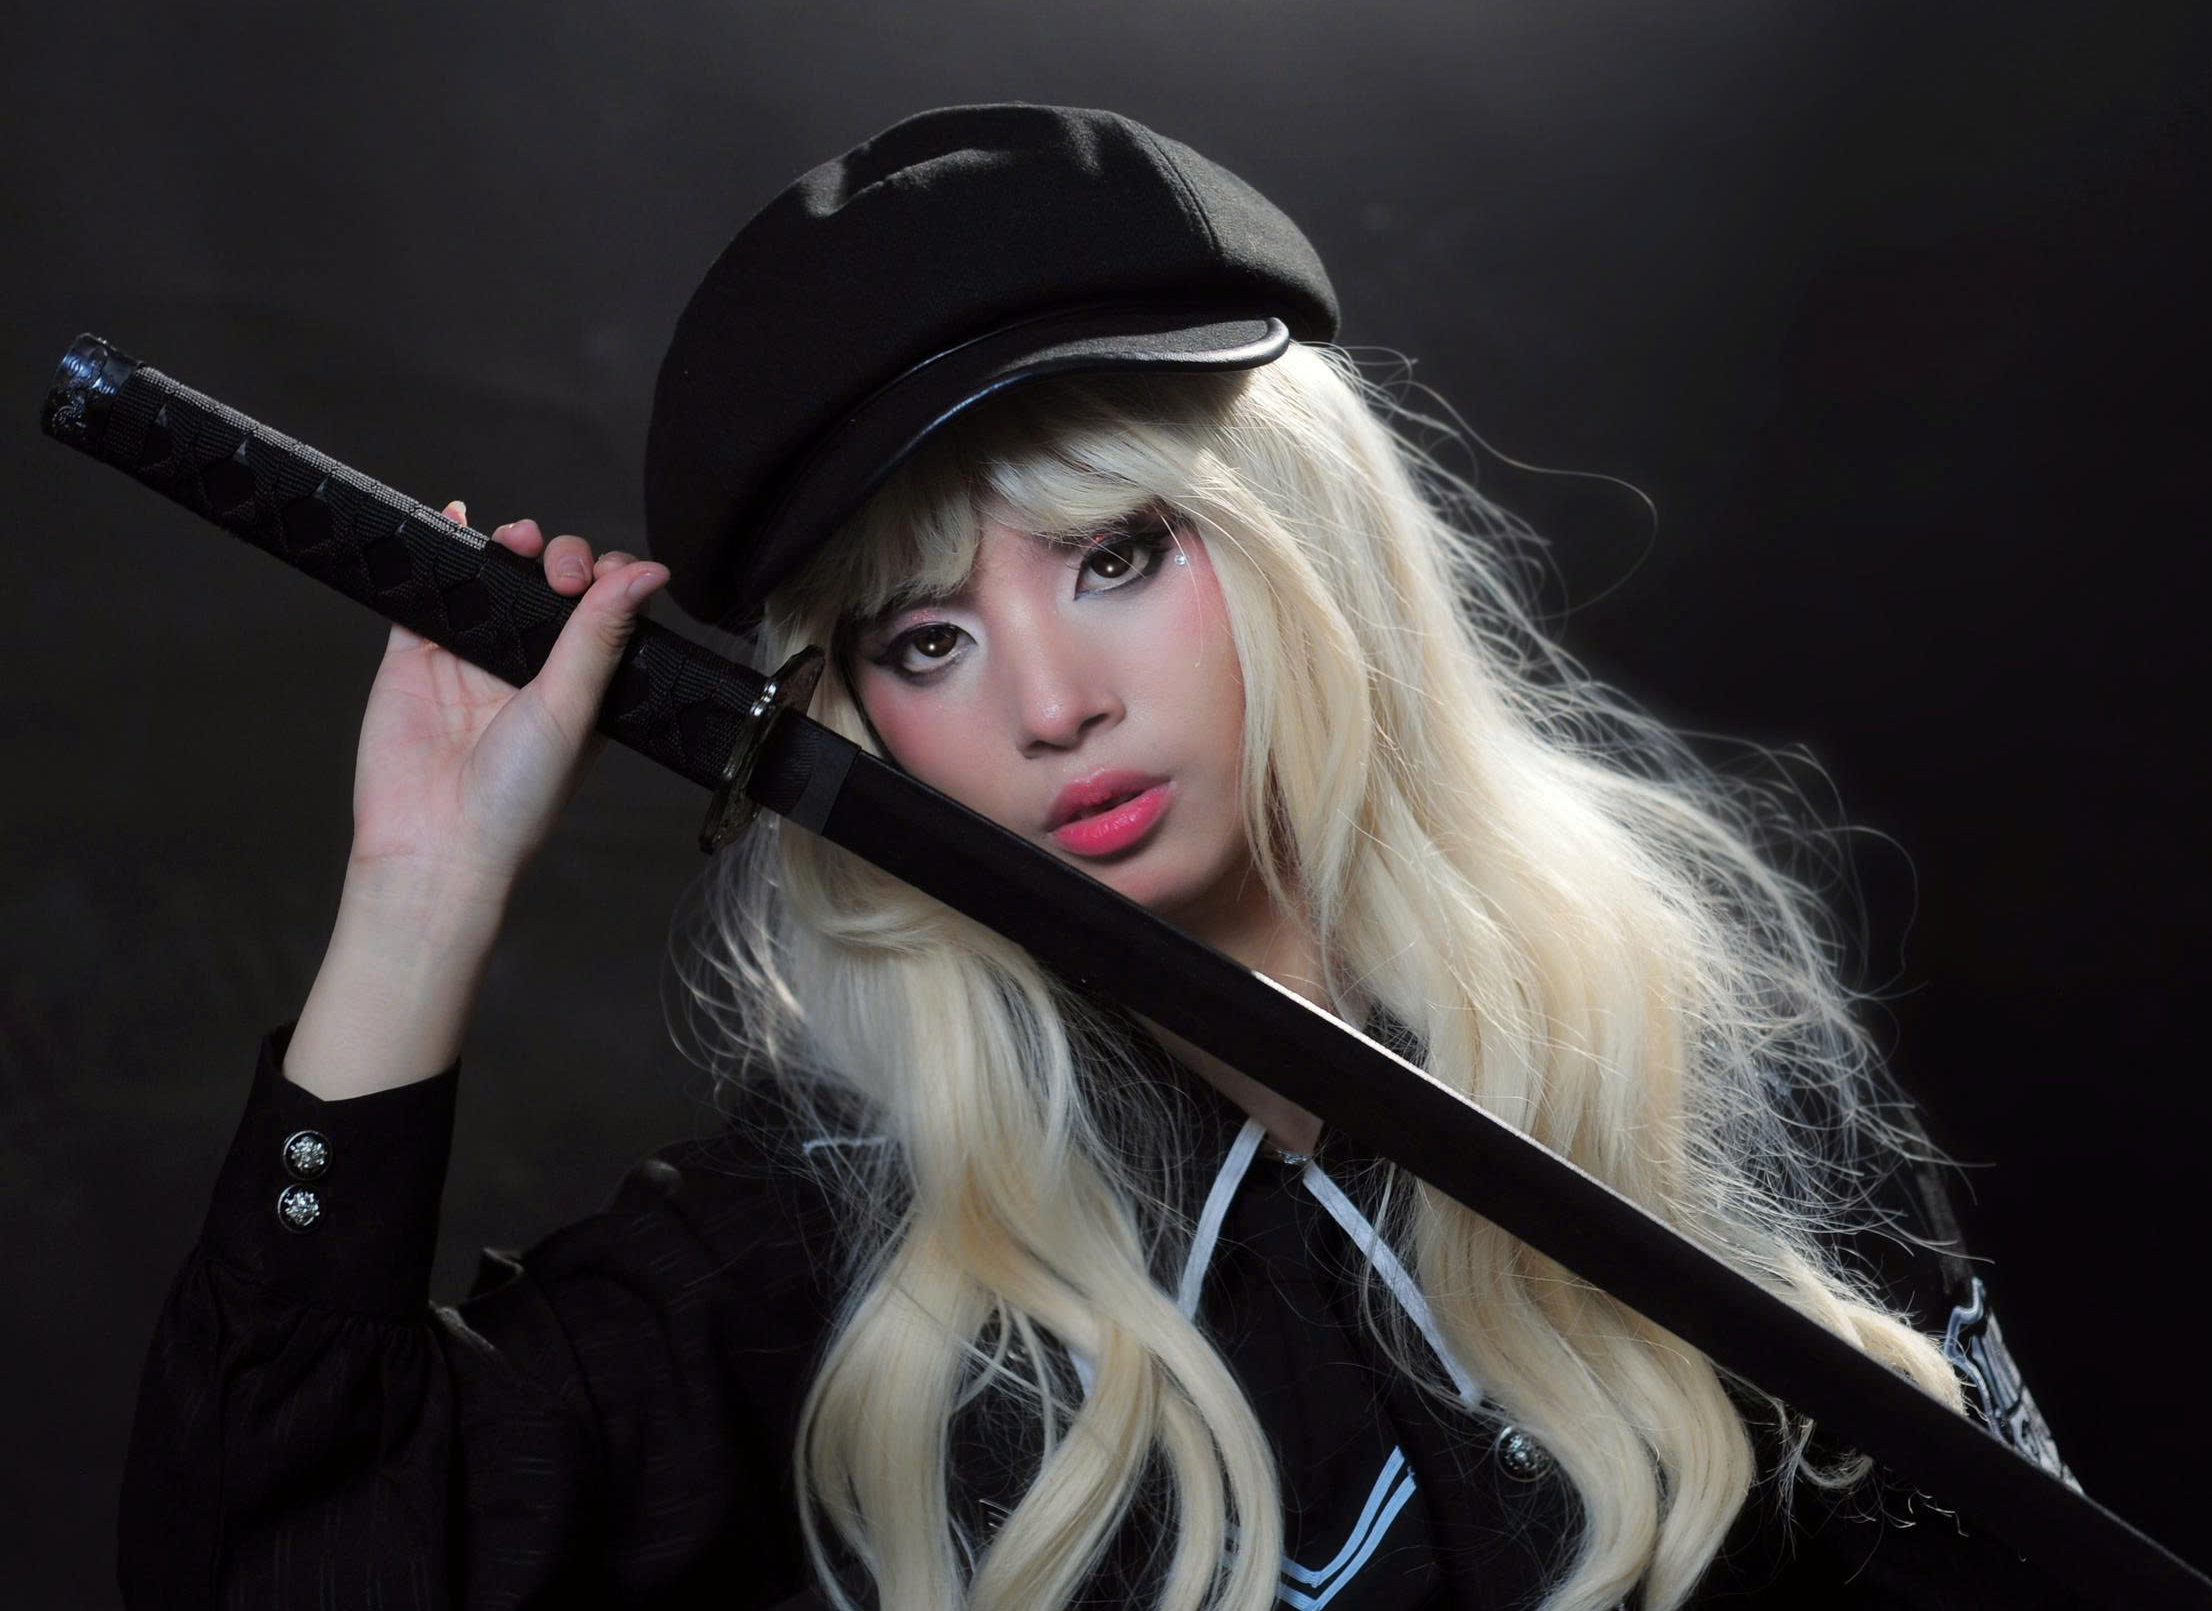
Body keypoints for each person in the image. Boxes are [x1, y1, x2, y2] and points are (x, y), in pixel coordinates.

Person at [120, 105, 2074, 1609]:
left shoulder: (1684, 1045)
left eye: (1116, 555)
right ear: (854, 710)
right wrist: (420, 891)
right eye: (925, 639)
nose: (1049, 704)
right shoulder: (842, 1243)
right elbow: (273, 1570)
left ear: (1301, 532)